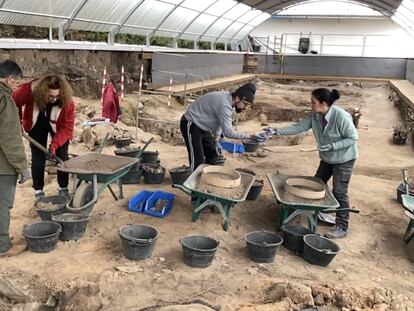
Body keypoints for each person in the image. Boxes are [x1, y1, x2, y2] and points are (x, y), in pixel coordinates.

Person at [266, 88, 358, 239]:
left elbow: (353, 138)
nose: (311, 105)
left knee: (339, 192)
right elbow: (298, 127)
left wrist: (333, 146)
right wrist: (275, 131)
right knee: (317, 183)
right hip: (328, 157)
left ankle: (342, 226)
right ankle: (320, 212)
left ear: (323, 103)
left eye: (313, 102)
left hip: (344, 158)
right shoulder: (315, 116)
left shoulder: (340, 116)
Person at [13, 74, 75, 199]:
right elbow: (14, 101)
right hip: (37, 123)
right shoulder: (29, 90)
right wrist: (16, 122)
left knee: (62, 155)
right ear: (43, 92)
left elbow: (67, 127)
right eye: (51, 96)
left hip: (57, 125)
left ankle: (63, 188)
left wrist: (55, 145)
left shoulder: (67, 102)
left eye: (57, 96)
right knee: (38, 158)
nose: (54, 99)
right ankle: (38, 191)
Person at [180, 82, 262, 171]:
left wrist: (216, 139)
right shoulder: (224, 105)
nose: (245, 107)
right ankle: (192, 182)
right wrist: (249, 136)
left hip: (202, 127)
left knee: (212, 155)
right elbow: (228, 132)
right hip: (191, 123)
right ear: (238, 98)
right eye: (245, 104)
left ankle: (207, 178)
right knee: (197, 160)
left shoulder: (228, 101)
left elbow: (219, 122)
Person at [0, 60, 31, 256]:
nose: (16, 87)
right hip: (2, 166)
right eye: (17, 83)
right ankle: (2, 245)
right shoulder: (5, 100)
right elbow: (10, 138)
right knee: (2, 203)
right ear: (10, 79)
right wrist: (22, 166)